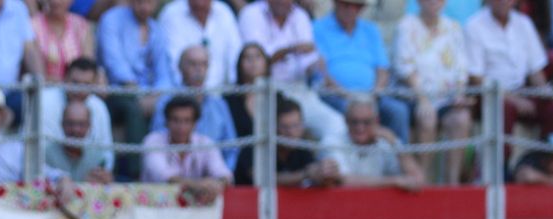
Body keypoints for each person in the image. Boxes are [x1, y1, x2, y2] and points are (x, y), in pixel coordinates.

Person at [239, 0, 348, 145]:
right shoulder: (251, 13)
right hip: (265, 91)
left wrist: (318, 68)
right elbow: (254, 63)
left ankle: (328, 166)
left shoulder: (300, 15)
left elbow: (309, 60)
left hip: (299, 89)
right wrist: (289, 49)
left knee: (337, 125)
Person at [465, 0, 553, 143]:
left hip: (523, 91)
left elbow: (535, 70)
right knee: (504, 109)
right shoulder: (474, 25)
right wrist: (513, 99)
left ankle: (548, 161)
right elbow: (476, 77)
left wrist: (544, 91)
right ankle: (503, 164)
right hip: (491, 95)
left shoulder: (524, 23)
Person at [394, 0, 472, 183]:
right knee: (427, 116)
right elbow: (405, 67)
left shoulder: (453, 27)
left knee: (461, 118)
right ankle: (423, 181)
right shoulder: (406, 25)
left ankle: (452, 184)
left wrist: (460, 95)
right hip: (412, 97)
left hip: (446, 98)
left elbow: (461, 69)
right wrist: (422, 99)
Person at [313, 0, 410, 144]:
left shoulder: (371, 30)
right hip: (335, 95)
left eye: (357, 6)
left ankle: (398, 162)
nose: (351, 10)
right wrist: (346, 94)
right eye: (346, 4)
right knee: (354, 115)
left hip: (371, 96)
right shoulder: (318, 28)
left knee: (398, 111)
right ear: (335, 3)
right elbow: (320, 70)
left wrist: (375, 93)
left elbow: (382, 68)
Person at [97, 0, 170, 150]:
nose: (145, 7)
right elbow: (114, 64)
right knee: (133, 108)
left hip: (149, 93)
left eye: (149, 3)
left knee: (174, 103)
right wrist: (139, 94)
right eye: (139, 2)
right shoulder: (111, 19)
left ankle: (165, 160)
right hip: (116, 90)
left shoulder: (157, 29)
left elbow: (164, 73)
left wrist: (156, 96)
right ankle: (135, 169)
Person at [148, 45, 236, 165]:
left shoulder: (219, 105)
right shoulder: (166, 102)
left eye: (203, 64)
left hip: (213, 177)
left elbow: (231, 148)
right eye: (193, 64)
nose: (198, 69)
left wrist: (222, 176)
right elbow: (157, 141)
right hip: (174, 174)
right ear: (180, 68)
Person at [324, 94, 424, 187]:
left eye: (366, 122)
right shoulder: (332, 142)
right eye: (354, 122)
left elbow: (417, 179)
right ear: (346, 120)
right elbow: (343, 180)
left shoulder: (386, 141)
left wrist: (394, 142)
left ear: (376, 121)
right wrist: (394, 181)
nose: (360, 128)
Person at [139, 95, 231, 196]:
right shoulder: (152, 141)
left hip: (197, 207)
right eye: (175, 120)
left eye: (187, 121)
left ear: (195, 124)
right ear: (166, 122)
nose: (181, 127)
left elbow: (223, 174)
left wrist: (215, 185)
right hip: (154, 209)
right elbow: (164, 176)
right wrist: (199, 185)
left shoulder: (205, 143)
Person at [158, 0, 238, 87]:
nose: (200, 3)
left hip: (223, 93)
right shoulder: (171, 14)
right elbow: (171, 64)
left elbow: (234, 56)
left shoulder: (224, 12)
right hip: (181, 93)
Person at [46, 97, 114, 181]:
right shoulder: (47, 154)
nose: (75, 130)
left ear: (89, 126)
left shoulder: (97, 156)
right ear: (62, 124)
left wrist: (106, 180)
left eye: (81, 124)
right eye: (70, 123)